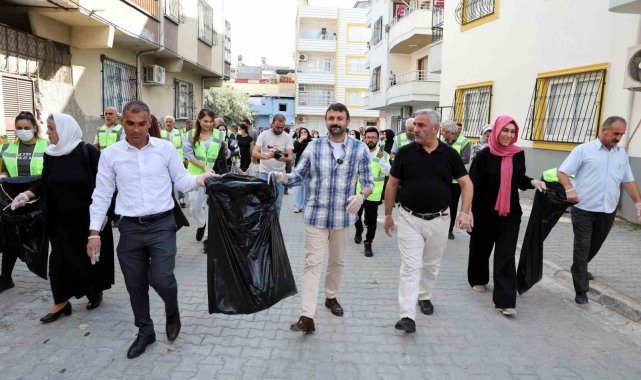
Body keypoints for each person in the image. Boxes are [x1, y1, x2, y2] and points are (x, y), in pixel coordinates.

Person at [87, 100, 216, 359]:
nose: (136, 129)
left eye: (142, 124)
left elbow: (181, 179)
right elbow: (101, 194)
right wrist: (94, 233)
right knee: (135, 285)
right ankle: (145, 331)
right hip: (129, 229)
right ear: (123, 122)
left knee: (161, 278)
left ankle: (172, 308)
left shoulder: (165, 149)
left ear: (150, 123)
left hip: (161, 226)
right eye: (130, 123)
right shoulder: (111, 155)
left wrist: (200, 179)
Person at [272, 103, 373, 333]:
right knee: (312, 264)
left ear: (347, 121)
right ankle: (307, 316)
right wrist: (282, 177)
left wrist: (361, 195)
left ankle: (331, 296)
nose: (335, 122)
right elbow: (299, 175)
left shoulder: (359, 149)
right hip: (316, 215)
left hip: (343, 217)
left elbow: (368, 183)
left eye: (339, 118)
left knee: (337, 262)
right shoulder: (313, 147)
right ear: (326, 121)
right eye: (331, 118)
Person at [11, 113, 115, 323]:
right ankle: (61, 302)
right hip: (58, 220)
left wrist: (106, 215)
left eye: (51, 129)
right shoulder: (51, 154)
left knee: (86, 260)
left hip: (87, 221)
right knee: (58, 260)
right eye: (48, 128)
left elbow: (107, 185)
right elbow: (44, 182)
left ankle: (93, 291)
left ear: (65, 129)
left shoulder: (87, 153)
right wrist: (26, 195)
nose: (47, 133)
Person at [383, 109, 473, 333]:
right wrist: (387, 215)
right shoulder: (405, 153)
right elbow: (392, 184)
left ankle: (425, 295)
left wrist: (464, 211)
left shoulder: (449, 154)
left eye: (422, 125)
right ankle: (407, 315)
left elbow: (466, 183)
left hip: (440, 220)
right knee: (411, 267)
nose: (416, 129)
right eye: (415, 125)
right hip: (409, 218)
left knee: (431, 266)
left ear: (436, 129)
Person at [557, 116, 641, 305]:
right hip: (583, 209)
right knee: (582, 247)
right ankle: (581, 290)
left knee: (594, 245)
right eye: (615, 133)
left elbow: (628, 180)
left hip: (607, 210)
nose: (619, 138)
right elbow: (562, 172)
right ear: (604, 131)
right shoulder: (583, 150)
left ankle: (579, 268)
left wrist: (638, 202)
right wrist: (570, 190)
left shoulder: (621, 155)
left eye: (621, 134)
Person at [467, 115, 545, 316]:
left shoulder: (517, 154)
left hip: (510, 212)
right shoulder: (483, 157)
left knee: (506, 255)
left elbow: (519, 179)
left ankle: (505, 300)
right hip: (484, 212)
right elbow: (471, 185)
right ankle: (478, 278)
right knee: (481, 249)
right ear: (496, 131)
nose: (509, 135)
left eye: (512, 131)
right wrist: (467, 212)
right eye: (505, 130)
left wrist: (532, 182)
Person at [0, 111, 48, 292]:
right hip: (14, 201)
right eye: (19, 128)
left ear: (35, 128)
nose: (23, 131)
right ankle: (5, 277)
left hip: (39, 198)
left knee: (45, 237)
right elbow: (4, 172)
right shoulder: (8, 148)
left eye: (27, 128)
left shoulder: (47, 146)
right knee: (11, 237)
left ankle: (60, 276)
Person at [183, 109, 226, 246]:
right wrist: (203, 167)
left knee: (209, 206)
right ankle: (201, 224)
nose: (208, 124)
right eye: (205, 121)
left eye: (210, 121)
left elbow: (225, 153)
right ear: (199, 120)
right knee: (195, 206)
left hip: (213, 176)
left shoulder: (220, 135)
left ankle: (208, 237)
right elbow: (189, 156)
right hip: (195, 176)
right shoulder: (189, 135)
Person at [354, 127, 391, 257]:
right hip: (359, 193)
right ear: (364, 138)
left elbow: (388, 172)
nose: (371, 140)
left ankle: (368, 242)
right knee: (356, 217)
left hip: (374, 194)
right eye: (368, 137)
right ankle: (358, 229)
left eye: (373, 137)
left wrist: (381, 160)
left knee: (371, 221)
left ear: (377, 139)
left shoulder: (384, 155)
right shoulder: (359, 152)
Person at [252, 114, 294, 216]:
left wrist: (281, 158)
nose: (280, 130)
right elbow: (254, 153)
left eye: (282, 127)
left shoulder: (287, 137)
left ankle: (274, 229)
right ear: (272, 124)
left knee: (277, 204)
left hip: (280, 174)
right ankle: (263, 229)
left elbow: (290, 158)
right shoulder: (264, 134)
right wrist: (266, 156)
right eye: (277, 127)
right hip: (264, 172)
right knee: (263, 202)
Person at [441, 120, 472, 240]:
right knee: (442, 205)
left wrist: (449, 159)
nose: (441, 133)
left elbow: (465, 159)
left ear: (449, 132)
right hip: (443, 179)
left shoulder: (464, 142)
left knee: (453, 206)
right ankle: (441, 228)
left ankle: (449, 230)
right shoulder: (443, 142)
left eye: (443, 131)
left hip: (456, 181)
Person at [161, 116, 187, 207]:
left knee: (179, 179)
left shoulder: (179, 133)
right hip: (165, 161)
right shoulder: (161, 133)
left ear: (174, 123)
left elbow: (185, 146)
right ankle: (170, 200)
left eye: (170, 122)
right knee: (168, 182)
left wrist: (185, 159)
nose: (168, 123)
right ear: (164, 123)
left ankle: (182, 199)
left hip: (178, 160)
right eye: (167, 122)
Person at [292, 127, 312, 213]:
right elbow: (294, 150)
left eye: (305, 132)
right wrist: (299, 140)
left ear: (308, 133)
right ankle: (297, 206)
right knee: (298, 187)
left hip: (309, 168)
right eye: (301, 132)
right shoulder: (297, 142)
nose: (303, 133)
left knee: (308, 188)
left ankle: (306, 205)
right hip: (299, 167)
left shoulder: (311, 142)